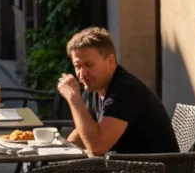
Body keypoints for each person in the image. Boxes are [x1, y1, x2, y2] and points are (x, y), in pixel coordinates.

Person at [59, 26, 177, 155]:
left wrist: (74, 99)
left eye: (89, 65)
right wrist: (59, 150)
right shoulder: (93, 86)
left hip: (155, 171)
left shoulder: (125, 91)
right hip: (127, 167)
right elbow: (83, 134)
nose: (82, 73)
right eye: (78, 66)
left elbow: (97, 147)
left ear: (110, 61)